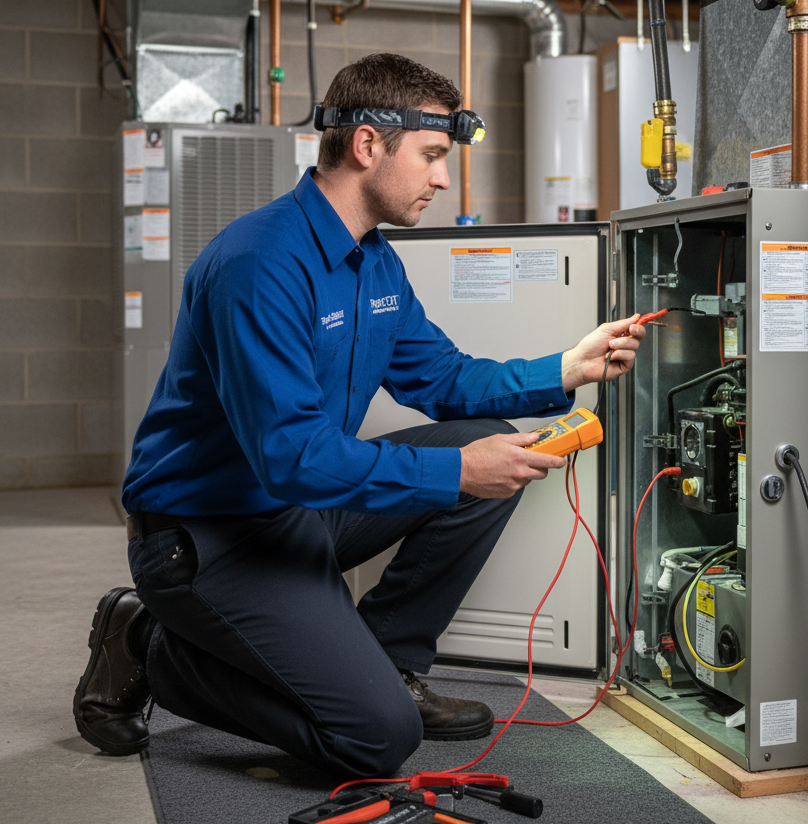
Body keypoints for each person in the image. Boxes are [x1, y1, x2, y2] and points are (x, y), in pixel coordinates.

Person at [73, 53, 645, 779]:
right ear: (369, 145)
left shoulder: (374, 263)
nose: (443, 178)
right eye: (433, 156)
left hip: (299, 513)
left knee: (491, 447)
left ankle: (388, 662)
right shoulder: (259, 263)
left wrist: (566, 368)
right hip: (207, 538)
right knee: (375, 740)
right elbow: (291, 456)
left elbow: (442, 379)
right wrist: (456, 472)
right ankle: (153, 649)